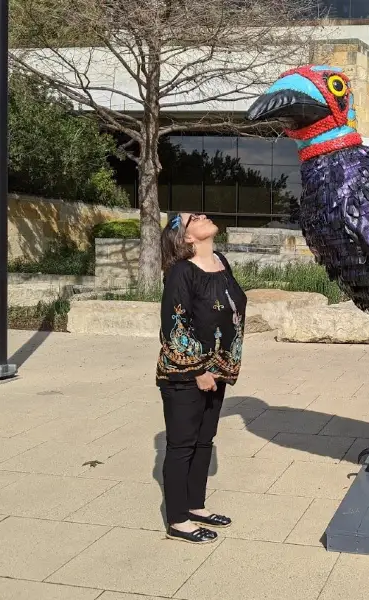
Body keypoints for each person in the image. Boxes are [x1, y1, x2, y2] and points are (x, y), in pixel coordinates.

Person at [156, 212, 248, 544]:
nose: (202, 215)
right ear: (186, 238)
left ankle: (195, 505)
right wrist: (198, 370)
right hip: (186, 374)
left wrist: (220, 368)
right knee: (181, 446)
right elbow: (173, 326)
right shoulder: (182, 272)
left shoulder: (221, 261)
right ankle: (178, 520)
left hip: (217, 372)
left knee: (204, 441)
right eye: (193, 218)